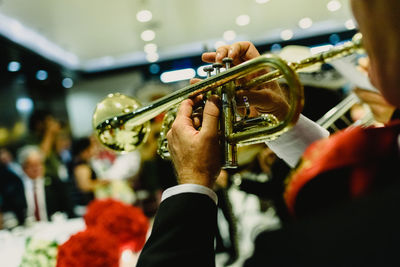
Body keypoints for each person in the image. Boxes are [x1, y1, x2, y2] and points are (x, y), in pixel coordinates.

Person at [137, 0, 400, 266]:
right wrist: (282, 118)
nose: (363, 55)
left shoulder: (286, 250)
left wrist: (192, 183)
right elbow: (363, 186)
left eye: (365, 35)